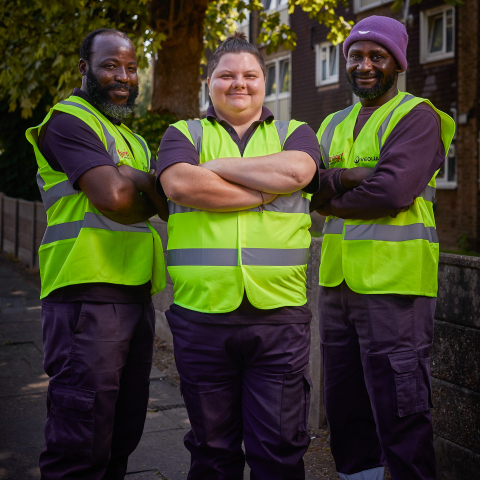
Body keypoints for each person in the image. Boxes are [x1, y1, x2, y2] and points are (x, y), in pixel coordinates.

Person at [157, 31, 329, 480]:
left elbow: (298, 170)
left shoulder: (296, 132)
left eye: (250, 75)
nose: (240, 84)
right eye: (227, 75)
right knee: (213, 452)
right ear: (208, 81)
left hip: (279, 317)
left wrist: (211, 169)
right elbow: (179, 184)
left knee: (278, 451)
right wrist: (262, 193)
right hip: (201, 315)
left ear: (265, 82)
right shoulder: (183, 132)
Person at [311, 16, 455, 480]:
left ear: (397, 63)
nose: (365, 65)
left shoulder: (418, 116)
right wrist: (336, 186)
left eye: (377, 56)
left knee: (402, 410)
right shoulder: (332, 122)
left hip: (396, 288)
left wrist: (331, 197)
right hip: (337, 287)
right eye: (356, 56)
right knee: (345, 409)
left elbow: (393, 193)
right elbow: (308, 190)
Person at [25, 29, 168, 480]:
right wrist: (137, 186)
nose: (123, 76)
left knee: (122, 435)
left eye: (130, 67)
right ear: (85, 68)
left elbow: (159, 202)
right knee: (80, 441)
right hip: (85, 296)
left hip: (134, 294)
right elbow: (114, 200)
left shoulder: (132, 139)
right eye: (110, 65)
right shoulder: (68, 120)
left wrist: (138, 179)